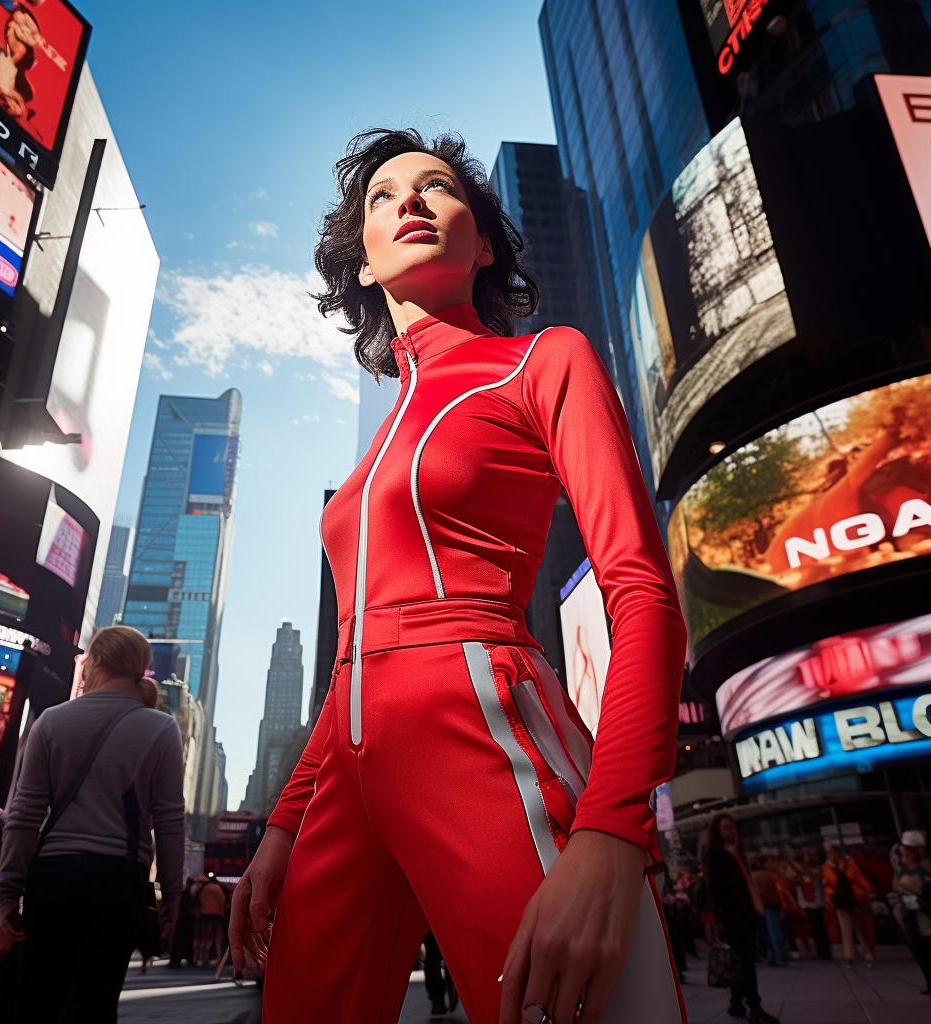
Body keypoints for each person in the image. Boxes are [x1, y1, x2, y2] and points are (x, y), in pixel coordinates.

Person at [228, 128, 688, 1024]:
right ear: (361, 265)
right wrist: (285, 821)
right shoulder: (371, 456)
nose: (409, 200)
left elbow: (640, 589)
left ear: (481, 245)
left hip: (481, 730)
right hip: (347, 775)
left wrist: (611, 831)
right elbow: (353, 659)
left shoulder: (542, 361)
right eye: (382, 195)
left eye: (439, 188)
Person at [0, 625, 186, 1024]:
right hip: (118, 880)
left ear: (94, 662)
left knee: (36, 1003)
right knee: (93, 1008)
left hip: (51, 877)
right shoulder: (161, 728)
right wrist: (172, 892)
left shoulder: (51, 721)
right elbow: (169, 820)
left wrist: (8, 891)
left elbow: (24, 814)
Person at [703, 814, 779, 1024]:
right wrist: (715, 919)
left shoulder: (737, 854)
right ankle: (754, 1006)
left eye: (732, 827)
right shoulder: (715, 855)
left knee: (741, 962)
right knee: (746, 963)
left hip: (747, 915)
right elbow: (713, 889)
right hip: (732, 918)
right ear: (717, 832)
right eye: (726, 828)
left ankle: (737, 1004)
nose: (731, 831)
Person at [823, 845, 875, 968]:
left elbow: (859, 879)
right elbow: (828, 884)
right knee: (845, 930)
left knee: (861, 927)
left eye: (832, 852)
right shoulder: (827, 867)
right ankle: (849, 956)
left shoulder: (850, 864)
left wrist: (869, 891)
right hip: (840, 900)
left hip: (855, 898)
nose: (831, 855)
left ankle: (867, 953)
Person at [892, 830, 931, 995]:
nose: (904, 855)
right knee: (919, 949)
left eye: (908, 852)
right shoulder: (902, 869)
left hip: (926, 912)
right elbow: (896, 885)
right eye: (903, 852)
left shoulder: (926, 867)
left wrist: (915, 887)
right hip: (910, 912)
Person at [750, 857, 787, 967]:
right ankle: (781, 956)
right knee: (775, 932)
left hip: (764, 906)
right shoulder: (766, 875)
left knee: (770, 932)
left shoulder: (753, 876)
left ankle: (778, 957)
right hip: (773, 905)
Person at [195, 873, 228, 966]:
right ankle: (217, 957)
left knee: (204, 938)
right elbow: (223, 901)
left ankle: (202, 957)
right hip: (217, 916)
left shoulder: (203, 889)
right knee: (217, 938)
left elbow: (199, 901)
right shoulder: (220, 888)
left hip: (205, 915)